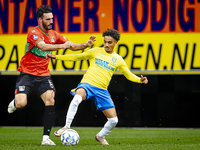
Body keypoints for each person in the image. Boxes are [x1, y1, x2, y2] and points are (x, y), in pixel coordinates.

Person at [7, 5, 96, 146]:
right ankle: (14, 102)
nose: (51, 21)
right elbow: (43, 46)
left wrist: (86, 44)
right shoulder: (33, 33)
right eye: (48, 19)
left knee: (50, 100)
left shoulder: (54, 34)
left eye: (52, 19)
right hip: (27, 74)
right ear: (40, 20)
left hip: (43, 75)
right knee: (20, 104)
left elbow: (71, 45)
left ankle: (45, 139)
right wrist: (62, 46)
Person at [46, 29, 148, 145]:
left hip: (102, 90)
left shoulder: (118, 59)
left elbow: (128, 75)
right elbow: (76, 57)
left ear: (115, 43)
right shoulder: (95, 51)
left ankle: (100, 136)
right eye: (105, 42)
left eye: (109, 42)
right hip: (87, 84)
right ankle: (66, 126)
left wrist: (140, 80)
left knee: (114, 120)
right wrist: (56, 57)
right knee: (77, 98)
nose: (106, 45)